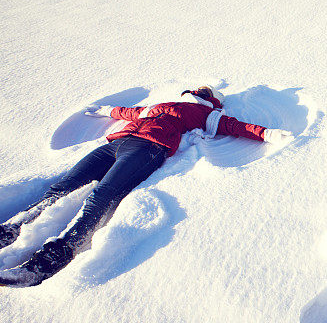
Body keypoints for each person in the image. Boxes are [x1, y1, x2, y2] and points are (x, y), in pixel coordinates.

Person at [0, 86, 291, 287]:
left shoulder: (204, 115)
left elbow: (234, 127)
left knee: (103, 196)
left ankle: (56, 255)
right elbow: (127, 112)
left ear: (210, 101)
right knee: (62, 187)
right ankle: (11, 229)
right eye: (195, 91)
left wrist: (267, 133)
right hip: (114, 144)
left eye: (203, 93)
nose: (196, 93)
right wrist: (105, 110)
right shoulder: (155, 107)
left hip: (148, 149)